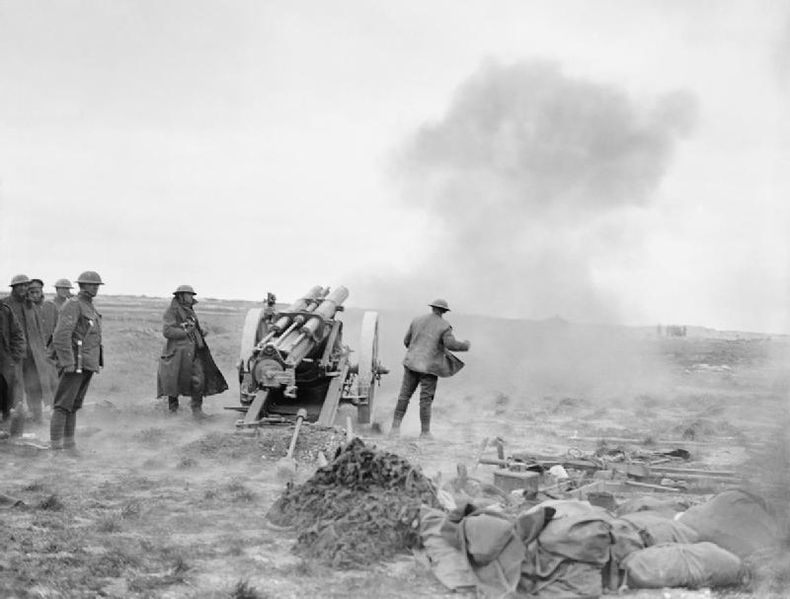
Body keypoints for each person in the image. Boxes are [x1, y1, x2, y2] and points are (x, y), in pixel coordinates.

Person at [390, 299, 471, 439]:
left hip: (411, 363)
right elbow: (451, 344)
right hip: (429, 368)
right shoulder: (445, 326)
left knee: (404, 396)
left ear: (432, 308)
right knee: (426, 400)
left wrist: (416, 351)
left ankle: (394, 430)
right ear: (444, 311)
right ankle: (425, 433)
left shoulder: (417, 320)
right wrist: (465, 345)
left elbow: (406, 341)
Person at [50, 271, 104, 454]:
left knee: (73, 405)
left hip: (87, 362)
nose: (95, 287)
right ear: (82, 286)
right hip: (75, 362)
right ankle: (56, 448)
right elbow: (60, 336)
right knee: (62, 405)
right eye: (92, 284)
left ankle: (69, 445)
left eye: (97, 285)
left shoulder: (88, 306)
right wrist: (67, 362)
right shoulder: (73, 305)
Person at [157, 285, 227, 419]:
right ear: (181, 296)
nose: (191, 298)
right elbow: (167, 331)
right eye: (189, 295)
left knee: (199, 380)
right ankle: (173, 411)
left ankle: (197, 410)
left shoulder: (190, 311)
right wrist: (185, 332)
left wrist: (200, 333)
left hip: (194, 352)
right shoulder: (172, 311)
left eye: (192, 295)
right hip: (178, 353)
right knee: (173, 382)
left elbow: (193, 328)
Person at [2, 274, 52, 424]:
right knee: (13, 387)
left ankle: (36, 416)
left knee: (35, 385)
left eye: (25, 286)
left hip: (33, 354)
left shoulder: (31, 306)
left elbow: (39, 330)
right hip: (13, 354)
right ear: (14, 287)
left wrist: (42, 350)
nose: (23, 288)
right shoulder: (5, 305)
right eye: (20, 286)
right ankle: (11, 420)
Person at [0, 298, 25, 436]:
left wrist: (14, 355)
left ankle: (5, 428)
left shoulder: (5, 311)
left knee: (7, 396)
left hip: (4, 361)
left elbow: (17, 334)